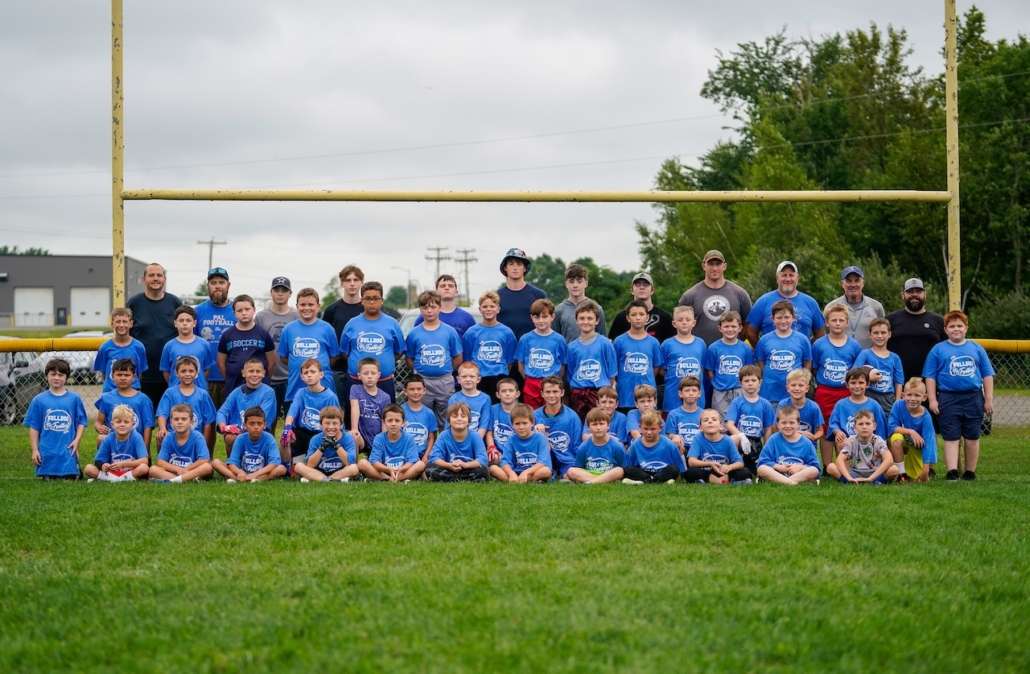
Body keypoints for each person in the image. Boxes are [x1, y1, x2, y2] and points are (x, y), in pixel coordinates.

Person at [923, 310, 994, 481]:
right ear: (946, 329)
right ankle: (952, 471)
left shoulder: (976, 348)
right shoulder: (938, 349)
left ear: (966, 328)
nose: (956, 329)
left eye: (959, 326)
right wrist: (932, 399)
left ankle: (970, 471)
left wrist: (988, 399)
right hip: (948, 397)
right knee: (951, 435)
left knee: (972, 435)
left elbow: (987, 375)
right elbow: (930, 376)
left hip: (973, 396)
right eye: (952, 326)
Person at [338, 281, 406, 403]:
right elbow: (345, 352)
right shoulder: (352, 324)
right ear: (362, 300)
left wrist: (384, 361)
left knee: (386, 419)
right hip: (356, 382)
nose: (372, 302)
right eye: (368, 298)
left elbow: (399, 351)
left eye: (376, 298)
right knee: (354, 419)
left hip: (384, 382)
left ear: (382, 300)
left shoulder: (392, 324)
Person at [405, 290, 463, 426]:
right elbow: (409, 358)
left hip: (445, 381)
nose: (429, 311)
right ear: (420, 309)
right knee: (423, 416)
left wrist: (445, 370)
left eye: (433, 307)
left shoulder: (449, 331)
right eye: (425, 307)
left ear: (439, 307)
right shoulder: (414, 333)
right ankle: (425, 445)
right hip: (423, 382)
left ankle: (445, 444)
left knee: (447, 417)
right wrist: (418, 372)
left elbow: (457, 357)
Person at [810, 304, 861, 459]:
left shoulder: (854, 345)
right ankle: (827, 465)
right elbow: (814, 367)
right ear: (827, 322)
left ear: (847, 323)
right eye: (834, 320)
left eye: (841, 320)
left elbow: (856, 371)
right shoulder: (819, 344)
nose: (837, 323)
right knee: (826, 428)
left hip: (846, 392)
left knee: (844, 425)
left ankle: (842, 462)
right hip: (825, 391)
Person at [276, 287, 340, 410]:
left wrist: (320, 366)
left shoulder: (327, 329)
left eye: (311, 304)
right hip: (296, 386)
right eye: (303, 304)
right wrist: (299, 365)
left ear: (318, 306)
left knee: (325, 423)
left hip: (323, 385)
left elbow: (334, 357)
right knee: (295, 425)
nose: (306, 308)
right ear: (297, 306)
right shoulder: (288, 329)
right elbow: (284, 357)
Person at [25, 358, 87, 479]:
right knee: (49, 478)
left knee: (69, 477)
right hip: (47, 448)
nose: (56, 378)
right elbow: (34, 427)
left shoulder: (74, 399)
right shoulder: (39, 400)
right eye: (53, 374)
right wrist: (35, 450)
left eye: (61, 375)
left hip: (67, 447)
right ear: (46, 376)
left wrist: (77, 440)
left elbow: (81, 422)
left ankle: (74, 471)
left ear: (67, 377)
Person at [677, 250, 753, 345]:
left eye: (718, 264)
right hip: (701, 355)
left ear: (724, 266)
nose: (714, 268)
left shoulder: (740, 294)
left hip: (731, 355)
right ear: (704, 266)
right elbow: (679, 327)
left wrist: (737, 344)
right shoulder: (689, 296)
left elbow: (749, 326)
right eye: (711, 264)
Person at [746, 260, 825, 344]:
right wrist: (762, 350)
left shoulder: (810, 302)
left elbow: (821, 333)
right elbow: (750, 331)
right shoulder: (763, 301)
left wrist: (808, 349)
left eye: (791, 275)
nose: (788, 279)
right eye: (784, 275)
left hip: (801, 356)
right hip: (772, 355)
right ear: (777, 278)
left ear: (797, 278)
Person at [255, 276, 299, 426]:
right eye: (277, 290)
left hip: (291, 377)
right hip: (269, 377)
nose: (280, 293)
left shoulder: (296, 316)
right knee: (267, 422)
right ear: (271, 292)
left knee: (292, 422)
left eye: (284, 290)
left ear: (290, 293)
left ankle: (292, 450)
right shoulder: (261, 317)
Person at [886, 278, 946, 382]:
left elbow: (947, 352)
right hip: (897, 382)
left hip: (930, 382)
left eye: (918, 291)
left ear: (925, 294)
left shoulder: (938, 321)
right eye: (910, 291)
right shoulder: (890, 320)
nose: (914, 295)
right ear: (902, 295)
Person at [564, 301, 617, 418]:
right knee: (580, 424)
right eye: (582, 318)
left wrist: (606, 390)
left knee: (598, 424)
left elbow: (612, 373)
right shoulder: (572, 346)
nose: (586, 321)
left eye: (590, 318)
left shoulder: (605, 343)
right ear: (576, 321)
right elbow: (571, 371)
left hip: (599, 392)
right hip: (578, 392)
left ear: (597, 321)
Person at [282, 359, 341, 462]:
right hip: (302, 433)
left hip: (322, 433)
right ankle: (288, 465)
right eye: (306, 372)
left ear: (321, 374)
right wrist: (287, 428)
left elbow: (337, 421)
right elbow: (292, 412)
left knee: (314, 464)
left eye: (313, 372)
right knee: (286, 436)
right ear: (302, 377)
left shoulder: (330, 397)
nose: (309, 375)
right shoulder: (301, 393)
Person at [217, 358, 278, 457]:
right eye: (251, 371)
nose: (254, 374)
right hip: (238, 432)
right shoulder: (236, 392)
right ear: (243, 373)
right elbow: (222, 412)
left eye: (258, 371)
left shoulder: (268, 392)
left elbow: (262, 417)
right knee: (230, 437)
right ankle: (234, 464)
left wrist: (243, 431)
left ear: (263, 373)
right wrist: (224, 426)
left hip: (258, 431)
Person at [462, 290, 516, 402]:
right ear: (480, 309)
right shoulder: (471, 332)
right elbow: (467, 360)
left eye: (492, 306)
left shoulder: (507, 332)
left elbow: (510, 361)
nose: (488, 309)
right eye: (485, 306)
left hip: (499, 378)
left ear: (498, 309)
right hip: (479, 379)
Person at [754, 300, 813, 403]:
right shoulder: (764, 340)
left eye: (786, 317)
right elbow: (760, 362)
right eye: (779, 318)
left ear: (793, 318)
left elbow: (807, 362)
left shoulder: (802, 339)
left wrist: (803, 379)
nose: (783, 321)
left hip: (794, 392)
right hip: (770, 391)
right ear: (772, 319)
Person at [217, 294, 275, 397]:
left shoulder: (263, 334)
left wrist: (263, 377)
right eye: (239, 311)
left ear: (254, 310)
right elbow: (221, 362)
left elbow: (271, 362)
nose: (244, 313)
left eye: (247, 309)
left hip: (259, 386)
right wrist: (230, 377)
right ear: (234, 313)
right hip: (234, 386)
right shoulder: (227, 335)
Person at [194, 267, 236, 407]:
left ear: (228, 285)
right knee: (206, 425)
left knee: (230, 426)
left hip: (231, 378)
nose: (217, 286)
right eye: (213, 282)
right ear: (208, 286)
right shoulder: (198, 312)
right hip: (204, 378)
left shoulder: (238, 311)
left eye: (221, 282)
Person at [155, 357, 217, 450]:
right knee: (161, 436)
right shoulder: (170, 393)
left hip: (195, 436)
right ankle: (164, 460)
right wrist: (163, 428)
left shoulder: (203, 394)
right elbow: (162, 414)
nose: (187, 374)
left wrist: (204, 443)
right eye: (183, 371)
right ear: (177, 373)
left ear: (196, 373)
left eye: (191, 371)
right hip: (173, 435)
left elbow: (208, 422)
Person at [211, 407, 287, 482]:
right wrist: (239, 472)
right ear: (245, 425)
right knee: (215, 462)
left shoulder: (269, 439)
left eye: (259, 423)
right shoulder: (240, 438)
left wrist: (255, 474)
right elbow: (232, 463)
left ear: (264, 425)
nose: (256, 427)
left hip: (261, 473)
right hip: (242, 472)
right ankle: (239, 478)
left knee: (281, 469)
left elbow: (274, 462)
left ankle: (257, 479)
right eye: (252, 423)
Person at [724, 365, 776, 475]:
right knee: (733, 443)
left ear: (760, 382)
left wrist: (767, 449)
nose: (750, 383)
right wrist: (741, 436)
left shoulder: (765, 404)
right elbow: (729, 424)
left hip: (756, 442)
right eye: (746, 381)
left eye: (753, 380)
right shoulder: (737, 402)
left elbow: (767, 429)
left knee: (756, 470)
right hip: (740, 439)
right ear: (740, 383)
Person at [613, 299, 664, 410]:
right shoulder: (619, 341)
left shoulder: (653, 342)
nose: (638, 317)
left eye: (641, 314)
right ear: (627, 318)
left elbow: (656, 367)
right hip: (625, 396)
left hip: (647, 398)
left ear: (647, 317)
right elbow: (614, 368)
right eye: (634, 314)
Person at [93, 359, 155, 451]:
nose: (123, 378)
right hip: (114, 443)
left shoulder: (143, 399)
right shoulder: (106, 398)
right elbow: (99, 422)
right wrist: (99, 427)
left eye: (126, 375)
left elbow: (147, 427)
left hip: (135, 444)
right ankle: (103, 462)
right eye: (119, 375)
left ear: (134, 377)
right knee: (101, 438)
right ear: (112, 376)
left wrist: (145, 451)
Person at [827, 368, 889, 461]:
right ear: (847, 385)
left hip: (869, 441)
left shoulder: (874, 405)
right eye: (853, 382)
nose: (857, 386)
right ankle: (846, 471)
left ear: (867, 384)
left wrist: (881, 445)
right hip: (849, 442)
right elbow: (833, 424)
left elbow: (881, 429)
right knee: (840, 441)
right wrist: (837, 432)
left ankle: (872, 467)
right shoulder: (841, 404)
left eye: (861, 382)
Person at [514, 298, 566, 409]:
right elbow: (521, 365)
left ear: (552, 317)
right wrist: (531, 378)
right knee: (532, 416)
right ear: (531, 318)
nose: (541, 320)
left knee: (552, 412)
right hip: (531, 384)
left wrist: (554, 380)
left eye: (545, 316)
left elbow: (562, 365)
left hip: (552, 384)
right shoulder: (525, 339)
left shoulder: (559, 340)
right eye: (537, 317)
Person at [704, 311, 754, 417]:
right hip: (720, 391)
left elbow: (748, 370)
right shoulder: (714, 348)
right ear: (720, 328)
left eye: (733, 326)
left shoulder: (745, 348)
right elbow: (710, 371)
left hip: (740, 389)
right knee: (720, 421)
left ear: (740, 328)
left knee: (740, 418)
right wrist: (716, 384)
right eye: (726, 326)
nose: (730, 329)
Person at [755, 406, 822, 486]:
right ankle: (791, 483)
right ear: (778, 424)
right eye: (784, 423)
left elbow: (815, 466)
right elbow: (763, 461)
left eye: (791, 423)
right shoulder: (773, 439)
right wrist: (777, 466)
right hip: (778, 473)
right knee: (762, 469)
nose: (787, 426)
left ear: (798, 424)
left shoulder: (807, 442)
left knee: (813, 470)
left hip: (798, 473)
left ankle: (785, 482)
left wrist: (801, 467)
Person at [827, 409, 897, 484]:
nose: (864, 427)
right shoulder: (851, 440)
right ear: (855, 428)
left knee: (894, 470)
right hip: (854, 473)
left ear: (874, 426)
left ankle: (874, 481)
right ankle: (849, 481)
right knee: (831, 467)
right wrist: (849, 477)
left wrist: (871, 478)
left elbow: (889, 459)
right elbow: (839, 460)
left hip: (874, 472)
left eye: (868, 423)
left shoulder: (879, 441)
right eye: (860, 424)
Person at [532, 376, 583, 479]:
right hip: (543, 460)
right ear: (542, 393)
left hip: (567, 459)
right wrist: (535, 433)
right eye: (548, 392)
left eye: (555, 391)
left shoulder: (572, 417)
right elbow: (527, 443)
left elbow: (577, 445)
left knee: (570, 475)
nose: (551, 395)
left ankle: (563, 476)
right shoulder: (534, 416)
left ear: (562, 393)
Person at [358, 404, 425, 481]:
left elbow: (412, 461)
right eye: (390, 420)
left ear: (403, 423)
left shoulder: (409, 438)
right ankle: (387, 478)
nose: (393, 424)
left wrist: (402, 469)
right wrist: (388, 470)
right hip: (384, 471)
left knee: (421, 464)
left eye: (397, 420)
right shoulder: (379, 438)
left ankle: (397, 479)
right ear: (384, 422)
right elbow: (374, 461)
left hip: (403, 471)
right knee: (362, 463)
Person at [888, 378, 938, 482]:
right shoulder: (898, 405)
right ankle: (902, 475)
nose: (912, 398)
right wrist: (911, 431)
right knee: (896, 438)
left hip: (917, 446)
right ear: (903, 395)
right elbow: (892, 427)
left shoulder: (926, 417)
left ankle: (926, 469)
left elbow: (929, 442)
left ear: (924, 397)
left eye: (917, 395)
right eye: (909, 395)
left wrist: (926, 469)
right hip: (902, 440)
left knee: (918, 477)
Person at [489, 403, 553, 483]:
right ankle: (518, 480)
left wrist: (526, 472)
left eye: (524, 423)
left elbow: (542, 462)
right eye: (517, 424)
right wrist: (511, 473)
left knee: (545, 471)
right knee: (493, 468)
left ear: (532, 423)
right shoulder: (511, 439)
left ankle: (519, 481)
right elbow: (505, 461)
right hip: (516, 472)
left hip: (534, 471)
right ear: (512, 425)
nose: (521, 427)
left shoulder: (540, 438)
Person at [684, 409, 752, 484]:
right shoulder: (698, 438)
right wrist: (710, 464)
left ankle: (727, 479)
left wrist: (729, 467)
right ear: (700, 428)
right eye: (706, 420)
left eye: (714, 419)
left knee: (746, 472)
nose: (710, 421)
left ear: (721, 426)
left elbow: (740, 462)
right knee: (690, 472)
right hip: (707, 471)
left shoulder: (728, 440)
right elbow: (691, 461)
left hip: (725, 471)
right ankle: (713, 480)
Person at [293, 406, 359, 483]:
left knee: (354, 468)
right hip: (319, 470)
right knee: (298, 466)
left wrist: (336, 445)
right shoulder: (315, 439)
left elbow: (349, 462)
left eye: (335, 423)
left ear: (341, 425)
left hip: (340, 470)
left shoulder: (347, 438)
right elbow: (310, 465)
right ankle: (329, 480)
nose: (331, 427)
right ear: (321, 425)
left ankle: (327, 479)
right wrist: (322, 447)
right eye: (327, 423)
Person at [426, 402, 490, 481]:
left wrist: (465, 465)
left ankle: (451, 478)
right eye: (455, 416)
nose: (459, 419)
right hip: (449, 468)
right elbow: (434, 458)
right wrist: (449, 465)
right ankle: (462, 478)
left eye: (463, 416)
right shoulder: (443, 435)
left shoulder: (475, 436)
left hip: (469, 468)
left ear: (469, 420)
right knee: (429, 468)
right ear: (449, 420)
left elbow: (483, 459)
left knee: (483, 471)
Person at [149, 404, 213, 482]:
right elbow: (160, 461)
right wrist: (177, 469)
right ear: (171, 422)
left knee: (207, 467)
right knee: (153, 469)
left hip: (192, 470)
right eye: (176, 419)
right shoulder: (169, 437)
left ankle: (173, 480)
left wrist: (186, 469)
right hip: (175, 472)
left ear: (191, 421)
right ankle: (186, 479)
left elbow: (204, 460)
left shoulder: (197, 437)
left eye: (184, 419)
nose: (180, 422)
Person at [825, 265, 885, 349]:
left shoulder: (876, 307)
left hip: (868, 359)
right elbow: (826, 335)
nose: (853, 284)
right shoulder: (831, 307)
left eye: (857, 281)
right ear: (842, 284)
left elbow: (883, 334)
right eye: (849, 281)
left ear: (863, 283)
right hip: (840, 359)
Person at [85, 405, 149, 482]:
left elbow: (144, 461)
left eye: (126, 422)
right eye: (118, 422)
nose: (122, 424)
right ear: (112, 424)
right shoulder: (108, 438)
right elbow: (99, 461)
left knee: (144, 468)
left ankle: (118, 479)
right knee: (88, 468)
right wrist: (104, 466)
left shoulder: (136, 437)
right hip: (112, 472)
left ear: (132, 424)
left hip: (130, 471)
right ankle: (118, 479)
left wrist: (124, 464)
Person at [660, 306, 707, 412]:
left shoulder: (701, 343)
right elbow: (662, 370)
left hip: (696, 398)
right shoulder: (667, 344)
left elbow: (702, 367)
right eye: (680, 320)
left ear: (694, 323)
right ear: (674, 323)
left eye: (688, 319)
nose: (684, 322)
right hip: (673, 396)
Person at [854, 318, 904, 417]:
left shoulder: (895, 357)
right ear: (870, 335)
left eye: (883, 332)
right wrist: (868, 376)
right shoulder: (865, 354)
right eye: (876, 333)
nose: (880, 336)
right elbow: (854, 373)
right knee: (869, 424)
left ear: (889, 334)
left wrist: (897, 401)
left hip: (888, 398)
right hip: (869, 395)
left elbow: (899, 381)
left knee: (888, 427)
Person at [159, 305, 215, 390]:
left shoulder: (204, 344)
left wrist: (199, 382)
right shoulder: (169, 346)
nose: (185, 323)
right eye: (181, 320)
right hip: (176, 392)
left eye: (188, 320)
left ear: (194, 323)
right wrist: (174, 384)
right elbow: (166, 371)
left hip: (199, 390)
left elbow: (207, 369)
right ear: (175, 323)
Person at [608, 272, 676, 342]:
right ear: (631, 290)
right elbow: (613, 345)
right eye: (638, 284)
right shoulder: (621, 318)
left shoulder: (665, 318)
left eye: (645, 284)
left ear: (652, 290)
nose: (642, 287)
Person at [621, 411, 685, 484]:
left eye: (652, 429)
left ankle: (646, 481)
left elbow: (680, 469)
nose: (649, 432)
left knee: (673, 469)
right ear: (640, 428)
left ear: (660, 428)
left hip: (663, 472)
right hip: (644, 473)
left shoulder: (669, 445)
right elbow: (628, 465)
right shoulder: (635, 445)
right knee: (628, 469)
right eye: (645, 429)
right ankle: (656, 481)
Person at [497, 247, 547, 340]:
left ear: (524, 268)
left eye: (519, 264)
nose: (515, 267)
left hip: (532, 349)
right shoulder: (496, 297)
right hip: (505, 349)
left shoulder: (538, 296)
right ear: (505, 268)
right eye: (511, 264)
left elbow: (546, 326)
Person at [93, 307, 148, 392]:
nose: (121, 325)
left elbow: (139, 373)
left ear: (131, 324)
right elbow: (104, 373)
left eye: (125, 321)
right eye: (118, 322)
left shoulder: (139, 347)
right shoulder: (105, 348)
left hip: (132, 392)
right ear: (112, 324)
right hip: (111, 392)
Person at [566, 408, 626, 484]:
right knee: (571, 471)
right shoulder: (583, 447)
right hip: (590, 474)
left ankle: (591, 482)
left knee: (619, 470)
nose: (598, 428)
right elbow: (579, 467)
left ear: (608, 426)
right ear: (588, 428)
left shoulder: (617, 446)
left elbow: (624, 467)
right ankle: (600, 481)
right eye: (594, 424)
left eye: (601, 424)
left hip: (609, 474)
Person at [553, 263, 608, 341]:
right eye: (571, 281)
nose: (575, 285)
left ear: (586, 283)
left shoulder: (597, 308)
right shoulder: (558, 310)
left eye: (579, 281)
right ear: (566, 284)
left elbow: (602, 339)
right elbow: (555, 340)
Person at [778, 369, 824, 446]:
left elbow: (820, 431)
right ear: (787, 388)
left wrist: (813, 437)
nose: (797, 388)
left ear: (807, 388)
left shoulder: (814, 407)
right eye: (793, 385)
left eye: (801, 385)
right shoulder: (783, 405)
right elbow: (776, 428)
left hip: (806, 447)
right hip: (786, 445)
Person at [447, 361, 492, 439]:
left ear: (478, 379)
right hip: (456, 440)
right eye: (464, 376)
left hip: (477, 440)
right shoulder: (453, 399)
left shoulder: (485, 399)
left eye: (472, 376)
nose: (468, 379)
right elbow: (449, 424)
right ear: (458, 379)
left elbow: (483, 425)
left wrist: (475, 442)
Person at [322, 265, 366, 342]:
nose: (352, 284)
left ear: (362, 283)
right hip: (338, 353)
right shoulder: (331, 310)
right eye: (348, 280)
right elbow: (324, 337)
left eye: (356, 280)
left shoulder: (368, 309)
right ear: (342, 283)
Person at [401, 376, 438, 463]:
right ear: (405, 392)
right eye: (412, 389)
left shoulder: (429, 413)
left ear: (424, 390)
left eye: (419, 389)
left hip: (422, 454)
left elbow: (431, 437)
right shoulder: (400, 411)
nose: (416, 392)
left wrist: (426, 456)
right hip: (403, 454)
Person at [664, 376, 703, 454]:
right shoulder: (673, 414)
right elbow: (669, 434)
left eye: (694, 390)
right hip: (681, 449)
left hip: (699, 450)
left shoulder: (704, 414)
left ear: (699, 394)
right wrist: (674, 436)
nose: (691, 393)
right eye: (687, 390)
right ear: (680, 394)